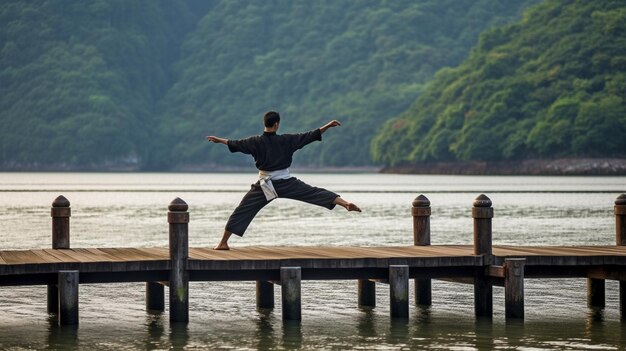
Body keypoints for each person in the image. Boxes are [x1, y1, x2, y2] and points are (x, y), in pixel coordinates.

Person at [206, 111, 362, 250]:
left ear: (265, 124)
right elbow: (309, 136)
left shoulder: (254, 141)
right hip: (286, 182)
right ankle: (345, 204)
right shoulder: (287, 140)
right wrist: (327, 126)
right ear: (276, 124)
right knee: (313, 192)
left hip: (265, 184)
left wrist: (218, 140)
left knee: (243, 210)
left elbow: (235, 143)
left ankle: (223, 243)